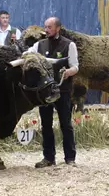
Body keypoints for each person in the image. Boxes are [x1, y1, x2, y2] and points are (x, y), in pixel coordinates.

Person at [24, 16, 79, 167]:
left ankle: (70, 158)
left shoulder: (69, 45)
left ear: (58, 28)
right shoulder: (39, 45)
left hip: (63, 89)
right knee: (46, 125)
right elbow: (27, 54)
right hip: (44, 92)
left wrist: (68, 72)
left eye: (49, 27)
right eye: (45, 27)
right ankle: (49, 158)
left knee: (65, 124)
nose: (46, 30)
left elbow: (75, 66)